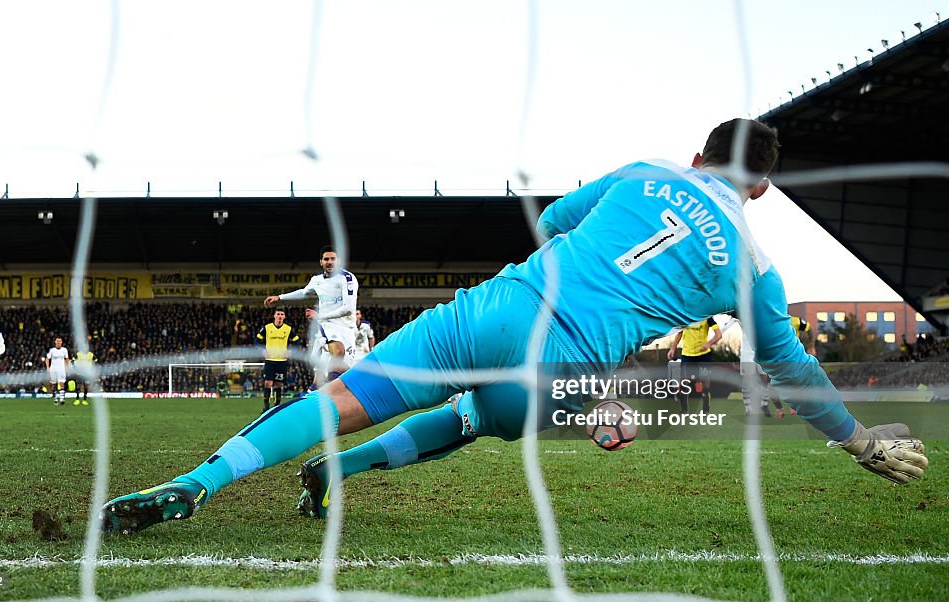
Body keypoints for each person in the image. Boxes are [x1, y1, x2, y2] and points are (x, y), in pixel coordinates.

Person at [102, 118, 928, 534]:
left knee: (350, 394)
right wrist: (858, 441)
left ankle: (197, 484)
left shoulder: (646, 172)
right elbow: (791, 370)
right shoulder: (755, 268)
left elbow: (557, 219)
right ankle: (338, 476)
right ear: (761, 191)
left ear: (701, 155)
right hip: (563, 368)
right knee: (476, 418)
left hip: (498, 307)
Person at [264, 246, 358, 383]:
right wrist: (280, 297)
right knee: (338, 352)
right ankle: (331, 395)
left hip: (347, 327)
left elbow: (348, 309)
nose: (330, 262)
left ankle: (315, 392)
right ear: (321, 262)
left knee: (344, 369)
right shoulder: (317, 280)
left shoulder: (347, 278)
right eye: (326, 259)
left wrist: (319, 316)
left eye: (333, 259)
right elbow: (303, 292)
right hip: (328, 325)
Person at [668, 317, 722, 413]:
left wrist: (708, 344)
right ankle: (684, 410)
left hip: (703, 355)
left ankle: (705, 410)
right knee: (684, 383)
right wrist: (673, 348)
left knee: (705, 383)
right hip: (687, 355)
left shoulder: (707, 318)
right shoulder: (685, 316)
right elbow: (679, 334)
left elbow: (718, 334)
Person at [255, 308, 300, 412]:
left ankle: (276, 407)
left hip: (282, 361)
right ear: (274, 316)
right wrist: (262, 351)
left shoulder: (288, 329)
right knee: (268, 383)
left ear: (284, 317)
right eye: (278, 314)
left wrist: (291, 352)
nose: (280, 316)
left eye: (282, 314)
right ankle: (266, 407)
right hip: (270, 360)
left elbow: (297, 342)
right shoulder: (267, 328)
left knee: (278, 384)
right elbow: (257, 340)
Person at [46, 337, 70, 407]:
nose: (59, 343)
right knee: (54, 385)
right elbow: (47, 359)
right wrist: (48, 367)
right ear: (55, 342)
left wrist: (67, 367)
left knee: (61, 383)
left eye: (60, 342)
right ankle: (55, 398)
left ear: (61, 343)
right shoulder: (52, 350)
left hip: (61, 369)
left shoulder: (64, 350)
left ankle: (62, 399)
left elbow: (67, 359)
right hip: (53, 369)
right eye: (57, 342)